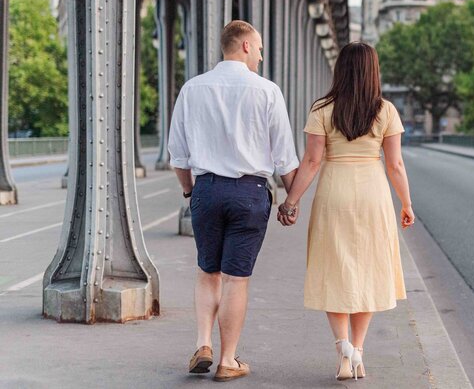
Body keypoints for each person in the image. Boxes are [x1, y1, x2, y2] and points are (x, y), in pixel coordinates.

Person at [168, 20, 299, 382]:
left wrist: (191, 192)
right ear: (243, 46)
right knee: (236, 280)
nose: (260, 54)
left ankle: (202, 344)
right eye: (258, 47)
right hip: (249, 193)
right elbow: (285, 158)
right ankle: (227, 360)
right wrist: (292, 199)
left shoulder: (192, 89)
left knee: (207, 271)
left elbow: (177, 156)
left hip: (207, 189)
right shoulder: (267, 91)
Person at [278, 41, 415, 381]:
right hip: (373, 193)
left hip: (334, 192)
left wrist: (291, 201)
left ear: (340, 70)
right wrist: (407, 203)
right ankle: (359, 351)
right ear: (373, 71)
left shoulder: (322, 109)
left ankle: (343, 351)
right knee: (368, 269)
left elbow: (311, 162)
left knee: (334, 267)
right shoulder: (385, 111)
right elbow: (395, 164)